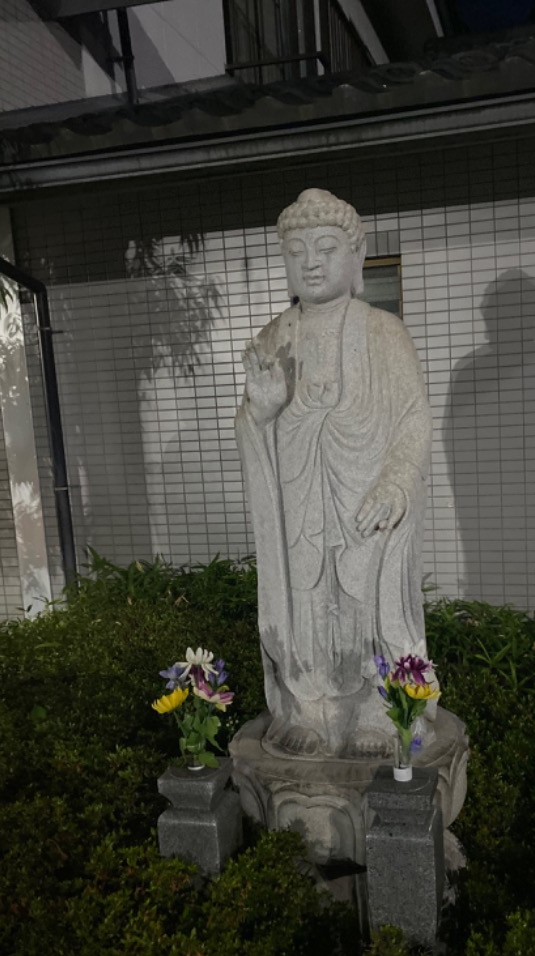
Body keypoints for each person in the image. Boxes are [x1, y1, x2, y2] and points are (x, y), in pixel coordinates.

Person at [236, 189, 433, 758]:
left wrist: (396, 481)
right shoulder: (274, 337)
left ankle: (381, 709)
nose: (311, 262)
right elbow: (252, 421)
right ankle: (308, 710)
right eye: (296, 252)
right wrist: (264, 414)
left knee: (371, 606)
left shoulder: (383, 332)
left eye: (325, 248)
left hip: (365, 506)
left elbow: (412, 417)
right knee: (304, 605)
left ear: (358, 256)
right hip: (298, 505)